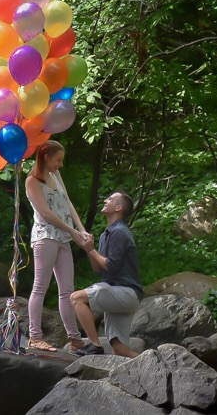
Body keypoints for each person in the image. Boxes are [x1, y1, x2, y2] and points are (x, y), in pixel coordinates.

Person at [25, 140, 90, 352]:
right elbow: (45, 213)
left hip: (63, 238)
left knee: (67, 291)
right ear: (46, 157)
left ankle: (75, 338)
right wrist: (73, 232)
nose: (60, 165)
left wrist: (80, 229)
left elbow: (67, 203)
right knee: (40, 287)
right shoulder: (32, 181)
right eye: (58, 160)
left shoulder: (56, 175)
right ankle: (35, 337)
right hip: (46, 237)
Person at [70, 190, 142, 357]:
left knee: (77, 298)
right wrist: (89, 249)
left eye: (110, 199)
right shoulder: (106, 234)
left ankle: (94, 345)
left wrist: (91, 249)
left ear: (118, 208)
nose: (105, 200)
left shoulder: (120, 232)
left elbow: (111, 266)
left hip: (125, 292)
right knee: (119, 349)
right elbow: (98, 269)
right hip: (121, 294)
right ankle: (154, 365)